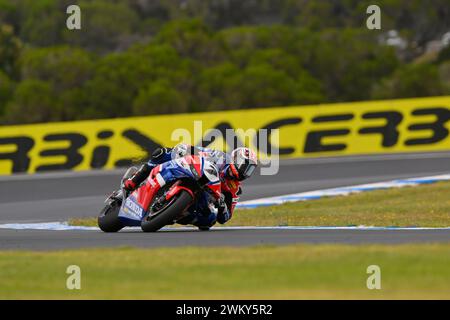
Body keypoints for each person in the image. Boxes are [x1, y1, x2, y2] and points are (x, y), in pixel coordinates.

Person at [123, 144, 258, 229]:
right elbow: (197, 151)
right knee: (161, 153)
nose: (246, 171)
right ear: (236, 159)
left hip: (202, 197)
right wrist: (183, 150)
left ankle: (178, 214)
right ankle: (134, 180)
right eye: (245, 166)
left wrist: (222, 206)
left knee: (209, 221)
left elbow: (226, 218)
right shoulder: (220, 157)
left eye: (250, 169)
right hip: (191, 172)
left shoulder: (234, 188)